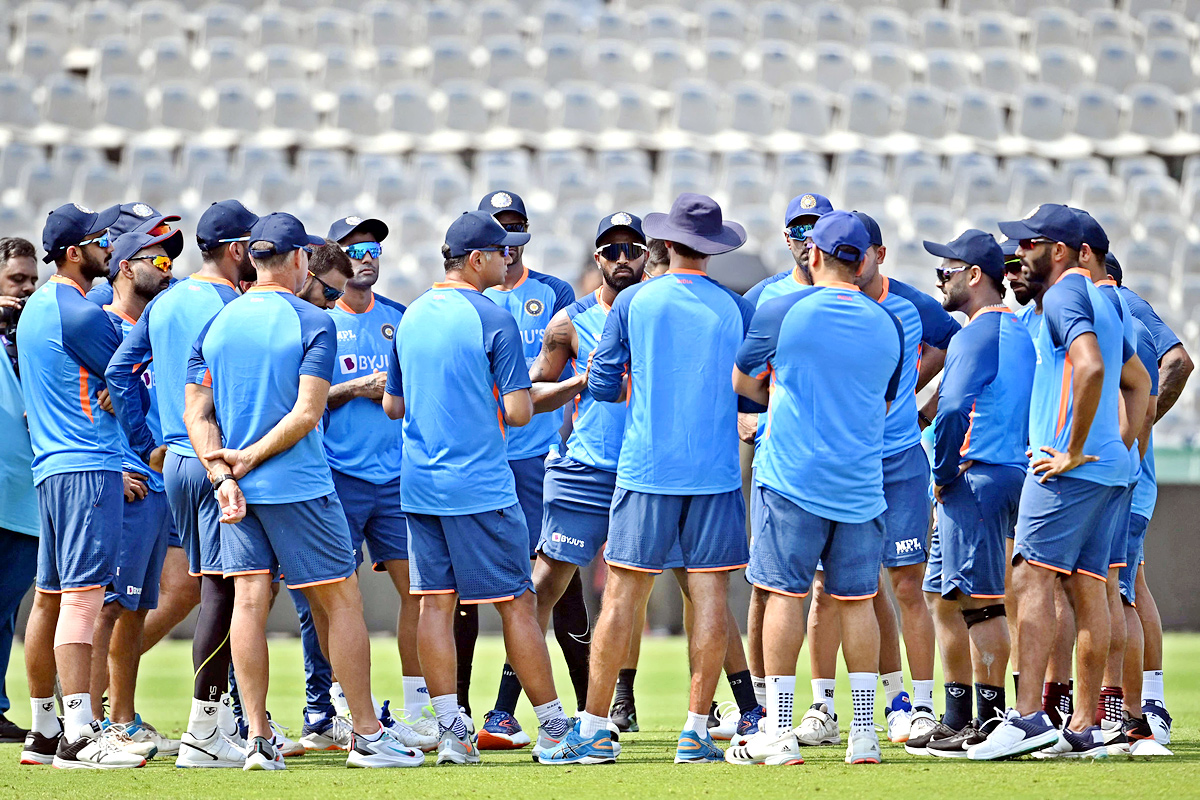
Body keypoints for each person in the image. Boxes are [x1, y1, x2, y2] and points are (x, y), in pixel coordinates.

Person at [185, 212, 423, 771]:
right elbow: (307, 411)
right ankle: (366, 735)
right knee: (341, 602)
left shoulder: (219, 322)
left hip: (237, 491)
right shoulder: (313, 321)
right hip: (298, 484)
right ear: (298, 260)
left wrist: (224, 473)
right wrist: (247, 459)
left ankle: (258, 741)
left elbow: (196, 413)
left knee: (248, 603)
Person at [541, 193, 758, 766]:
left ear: (662, 245)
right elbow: (751, 387)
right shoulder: (736, 308)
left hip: (646, 469)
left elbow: (605, 387)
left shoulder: (633, 302)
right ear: (712, 249)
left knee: (622, 595)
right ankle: (695, 730)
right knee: (710, 596)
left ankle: (591, 728)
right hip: (713, 471)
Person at [383, 210, 573, 766]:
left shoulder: (410, 315)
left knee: (434, 607)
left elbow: (394, 405)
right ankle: (556, 729)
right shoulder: (493, 319)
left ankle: (450, 732)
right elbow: (517, 413)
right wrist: (571, 386)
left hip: (419, 485)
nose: (508, 258)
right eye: (500, 251)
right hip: (481, 486)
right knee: (517, 603)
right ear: (476, 260)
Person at [724, 211, 904, 766]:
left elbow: (741, 381)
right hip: (860, 484)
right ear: (864, 259)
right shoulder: (887, 323)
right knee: (858, 602)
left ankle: (777, 731)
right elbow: (887, 393)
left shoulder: (783, 308)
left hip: (793, 477)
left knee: (785, 596)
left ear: (815, 254)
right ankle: (865, 736)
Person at [970, 204, 1149, 760]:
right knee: (1089, 587)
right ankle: (1086, 725)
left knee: (1029, 578)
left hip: (1064, 469)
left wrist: (1073, 450)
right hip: (1109, 472)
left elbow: (1092, 367)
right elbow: (1139, 383)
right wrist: (1117, 446)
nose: (1020, 252)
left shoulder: (1067, 292)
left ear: (1070, 251)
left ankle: (1026, 718)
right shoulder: (1111, 300)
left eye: (1032, 243)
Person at [106, 199, 259, 768]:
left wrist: (148, 439)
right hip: (216, 455)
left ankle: (212, 725)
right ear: (238, 248)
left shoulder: (167, 301)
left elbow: (122, 371)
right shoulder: (232, 305)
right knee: (225, 589)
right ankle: (205, 728)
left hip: (174, 460)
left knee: (211, 586)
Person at [803, 211, 958, 747]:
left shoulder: (911, 305)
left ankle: (917, 707)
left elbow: (955, 344)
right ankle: (822, 709)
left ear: (879, 255)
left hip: (897, 462)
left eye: (860, 252)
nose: (852, 261)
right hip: (841, 463)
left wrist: (924, 405)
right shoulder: (813, 305)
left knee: (907, 585)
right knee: (828, 589)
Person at [17, 202, 145, 769]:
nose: (110, 249)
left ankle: (45, 730)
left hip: (50, 466)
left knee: (50, 594)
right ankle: (78, 734)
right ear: (76, 252)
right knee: (85, 597)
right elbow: (127, 378)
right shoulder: (78, 312)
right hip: (87, 464)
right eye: (100, 240)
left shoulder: (38, 308)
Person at [469, 190, 586, 749]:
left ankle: (589, 707)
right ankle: (469, 711)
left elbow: (563, 369)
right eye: (498, 229)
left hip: (539, 457)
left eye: (516, 227)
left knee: (552, 582)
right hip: (486, 458)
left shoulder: (554, 293)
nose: (508, 240)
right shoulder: (467, 298)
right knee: (495, 589)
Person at [917, 230, 1036, 757]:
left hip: (974, 475)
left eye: (946, 270)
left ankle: (987, 722)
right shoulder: (1014, 330)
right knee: (943, 593)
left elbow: (951, 411)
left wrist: (943, 474)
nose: (939, 280)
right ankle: (958, 713)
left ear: (974, 276)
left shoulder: (978, 334)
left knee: (981, 603)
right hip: (998, 472)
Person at [90, 228, 182, 760]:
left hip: (160, 475)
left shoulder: (160, 323)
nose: (167, 266)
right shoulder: (98, 324)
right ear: (125, 266)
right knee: (108, 606)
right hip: (126, 476)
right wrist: (109, 469)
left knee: (136, 608)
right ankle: (92, 718)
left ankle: (123, 720)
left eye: (171, 259)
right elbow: (80, 399)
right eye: (157, 259)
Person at [1106, 254, 1192, 746]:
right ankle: (1146, 704)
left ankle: (1133, 712)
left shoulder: (1123, 303)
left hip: (1124, 478)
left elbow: (1179, 360)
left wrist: (1140, 426)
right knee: (1131, 586)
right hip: (1122, 475)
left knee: (1122, 593)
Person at [0, 238, 40, 745]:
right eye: (17, 280)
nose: (28, 289)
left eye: (33, 280)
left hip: (25, 492)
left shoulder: (28, 336)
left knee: (6, 609)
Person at [85, 203, 180, 307]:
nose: (161, 242)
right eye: (149, 237)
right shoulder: (98, 301)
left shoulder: (174, 288)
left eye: (163, 232)